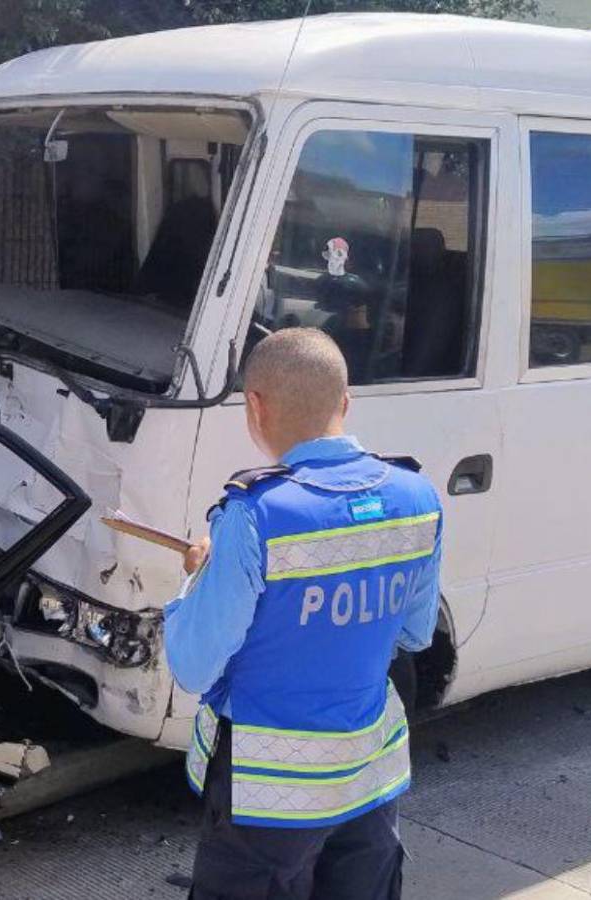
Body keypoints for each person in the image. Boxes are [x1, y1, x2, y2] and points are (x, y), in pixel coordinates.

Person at [164, 328, 443, 900]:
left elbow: (192, 665)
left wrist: (196, 576)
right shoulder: (417, 497)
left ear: (255, 406)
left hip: (269, 797)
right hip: (369, 779)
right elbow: (415, 633)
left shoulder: (254, 514)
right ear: (345, 402)